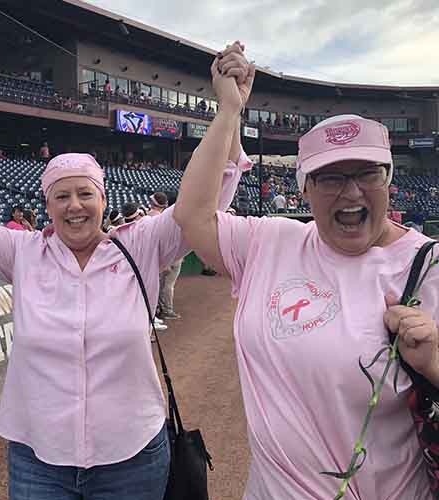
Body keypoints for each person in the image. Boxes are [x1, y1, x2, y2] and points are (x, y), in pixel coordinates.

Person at [0, 81, 249, 500]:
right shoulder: (21, 252)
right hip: (41, 459)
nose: (74, 205)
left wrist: (230, 112)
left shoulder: (141, 244)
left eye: (84, 194)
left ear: (102, 198)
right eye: (62, 197)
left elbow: (204, 204)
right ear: (48, 206)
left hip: (132, 454)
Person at [178, 41, 435, 499]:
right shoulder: (271, 241)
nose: (352, 192)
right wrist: (228, 112)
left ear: (389, 180)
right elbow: (193, 215)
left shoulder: (428, 266)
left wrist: (434, 360)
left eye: (367, 173)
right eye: (331, 177)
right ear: (305, 190)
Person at [149, 192, 181, 320]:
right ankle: (166, 310)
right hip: (170, 256)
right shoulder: (168, 218)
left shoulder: (148, 216)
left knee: (160, 285)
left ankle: (159, 309)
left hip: (160, 257)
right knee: (167, 285)